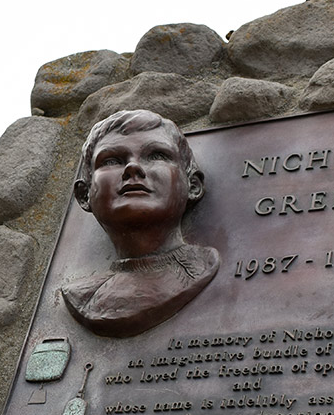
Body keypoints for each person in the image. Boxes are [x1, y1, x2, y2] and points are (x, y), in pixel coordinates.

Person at [61, 109, 220, 338]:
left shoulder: (200, 268)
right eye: (112, 160)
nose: (132, 168)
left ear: (193, 186)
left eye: (157, 155)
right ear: (84, 195)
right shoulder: (82, 296)